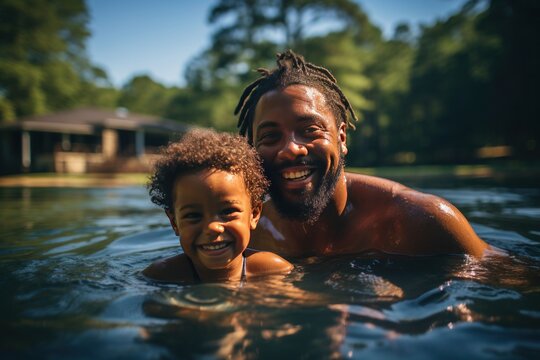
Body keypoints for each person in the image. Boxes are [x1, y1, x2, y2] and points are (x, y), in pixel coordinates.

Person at [234, 50, 490, 258]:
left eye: (309, 130)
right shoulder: (244, 235)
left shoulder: (419, 221)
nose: (291, 148)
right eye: (270, 136)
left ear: (341, 137)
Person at [143, 129, 293, 283]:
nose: (213, 227)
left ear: (254, 214)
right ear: (174, 223)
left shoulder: (272, 270)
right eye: (193, 215)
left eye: (228, 211)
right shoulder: (163, 276)